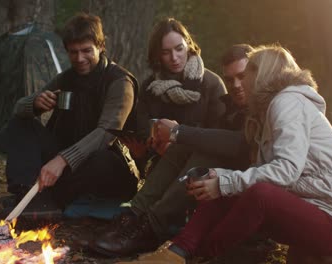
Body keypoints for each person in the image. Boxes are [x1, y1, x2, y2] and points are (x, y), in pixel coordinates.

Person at [117, 45, 332, 263]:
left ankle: (199, 255)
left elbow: (286, 171)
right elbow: (260, 171)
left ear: (263, 73)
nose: (241, 83)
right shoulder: (264, 113)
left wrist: (226, 181)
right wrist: (221, 178)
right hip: (304, 209)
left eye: (248, 74)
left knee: (255, 192)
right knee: (226, 187)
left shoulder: (287, 103)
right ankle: (176, 252)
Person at [89, 44, 252, 257]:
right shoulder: (151, 86)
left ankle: (153, 226)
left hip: (245, 175)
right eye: (231, 80)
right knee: (184, 146)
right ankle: (133, 215)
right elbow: (212, 135)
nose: (236, 85)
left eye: (242, 76)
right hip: (180, 161)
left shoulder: (219, 87)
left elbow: (240, 144)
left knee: (200, 151)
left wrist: (178, 131)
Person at [4, 13, 139, 211]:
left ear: (101, 47)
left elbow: (106, 133)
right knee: (20, 122)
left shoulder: (119, 82)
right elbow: (17, 109)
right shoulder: (66, 78)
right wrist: (35, 103)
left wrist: (62, 160)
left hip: (109, 167)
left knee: (102, 159)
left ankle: (51, 198)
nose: (79, 58)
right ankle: (27, 194)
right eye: (73, 52)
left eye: (86, 51)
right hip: (69, 164)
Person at [122, 17, 226, 177]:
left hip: (200, 167)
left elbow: (220, 136)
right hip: (159, 165)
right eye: (166, 52)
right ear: (158, 55)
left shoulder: (211, 84)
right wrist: (148, 147)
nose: (174, 57)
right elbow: (144, 131)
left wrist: (178, 142)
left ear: (189, 46)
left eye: (179, 49)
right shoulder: (150, 87)